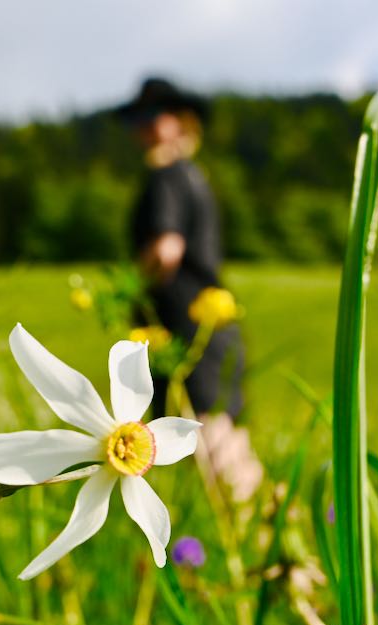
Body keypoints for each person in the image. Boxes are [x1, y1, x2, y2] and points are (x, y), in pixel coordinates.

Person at [116, 77, 262, 499]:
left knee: (216, 454)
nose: (142, 127)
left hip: (188, 331)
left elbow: (166, 249)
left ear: (181, 123)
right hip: (211, 329)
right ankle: (270, 544)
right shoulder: (195, 176)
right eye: (137, 118)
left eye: (152, 117)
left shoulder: (165, 176)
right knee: (226, 451)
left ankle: (269, 549)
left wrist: (131, 286)